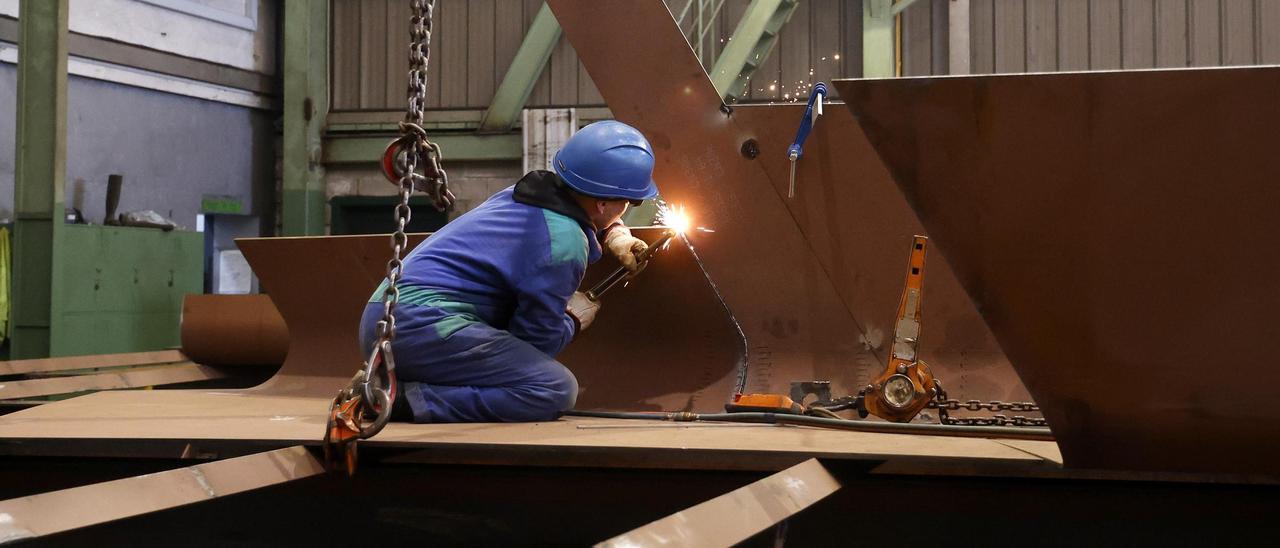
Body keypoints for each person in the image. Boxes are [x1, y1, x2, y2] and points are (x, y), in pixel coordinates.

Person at [358, 120, 659, 423]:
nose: (629, 208)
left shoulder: (524, 195)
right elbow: (534, 342)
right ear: (605, 201)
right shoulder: (565, 244)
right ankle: (402, 402)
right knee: (554, 387)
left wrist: (617, 235)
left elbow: (588, 212)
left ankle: (396, 384)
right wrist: (571, 321)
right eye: (630, 201)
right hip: (422, 327)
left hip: (385, 315)